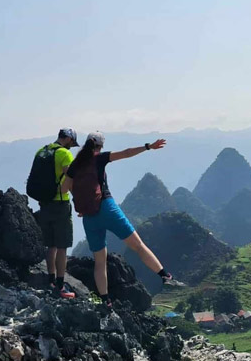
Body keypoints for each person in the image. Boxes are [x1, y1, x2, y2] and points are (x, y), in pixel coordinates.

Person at [62, 131, 183, 307]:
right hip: (107, 208)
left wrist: (84, 202)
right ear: (100, 145)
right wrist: (148, 146)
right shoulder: (99, 159)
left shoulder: (75, 165)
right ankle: (165, 276)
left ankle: (105, 300)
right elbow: (126, 152)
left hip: (89, 216)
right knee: (138, 245)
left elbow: (65, 188)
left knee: (99, 262)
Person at [28, 128, 79, 298]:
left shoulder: (42, 151)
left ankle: (50, 280)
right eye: (72, 142)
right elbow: (70, 181)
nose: (72, 146)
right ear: (69, 139)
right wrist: (78, 202)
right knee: (62, 245)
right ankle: (60, 285)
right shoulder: (64, 154)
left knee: (51, 245)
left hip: (44, 203)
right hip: (60, 204)